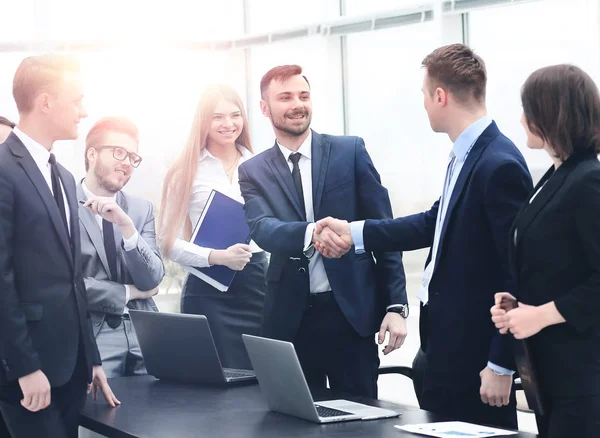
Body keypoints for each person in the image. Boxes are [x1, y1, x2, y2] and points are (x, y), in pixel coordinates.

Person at [316, 44, 532, 427]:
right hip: (444, 352)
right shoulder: (467, 156)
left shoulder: (499, 164)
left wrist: (501, 362)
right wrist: (354, 232)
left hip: (476, 357)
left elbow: (516, 272)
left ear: (440, 95)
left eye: (424, 95)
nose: (424, 106)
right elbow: (433, 222)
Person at [238, 65, 408, 399]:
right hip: (290, 321)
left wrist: (395, 306)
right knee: (294, 424)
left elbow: (384, 232)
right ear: (264, 108)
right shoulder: (252, 171)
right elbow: (262, 228)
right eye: (285, 97)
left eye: (303, 95)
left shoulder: (350, 151)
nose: (297, 104)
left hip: (352, 316)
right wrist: (311, 233)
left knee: (361, 424)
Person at [0, 54, 119, 438]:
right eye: (77, 100)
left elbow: (73, 279)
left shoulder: (65, 177)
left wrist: (92, 358)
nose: (84, 111)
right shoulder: (2, 170)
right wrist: (24, 367)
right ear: (46, 102)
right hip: (26, 370)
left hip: (72, 368)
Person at [491, 64, 600, 438]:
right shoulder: (557, 175)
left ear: (551, 113)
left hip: (582, 376)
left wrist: (541, 315)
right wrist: (520, 301)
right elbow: (557, 264)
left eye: (529, 110)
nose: (521, 120)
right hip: (550, 373)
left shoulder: (588, 180)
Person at [159, 84, 267, 370]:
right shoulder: (184, 171)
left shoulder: (263, 166)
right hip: (208, 290)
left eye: (235, 115)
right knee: (215, 386)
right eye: (217, 117)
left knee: (260, 380)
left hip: (257, 285)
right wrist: (217, 257)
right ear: (202, 122)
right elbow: (167, 242)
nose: (228, 124)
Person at [79, 116, 165, 378]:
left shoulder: (140, 209)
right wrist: (129, 293)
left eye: (132, 157)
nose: (127, 162)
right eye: (119, 152)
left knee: (160, 413)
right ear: (92, 154)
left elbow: (152, 278)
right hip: (92, 332)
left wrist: (128, 228)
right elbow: (66, 284)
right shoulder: (61, 205)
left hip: (146, 331)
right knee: (97, 414)